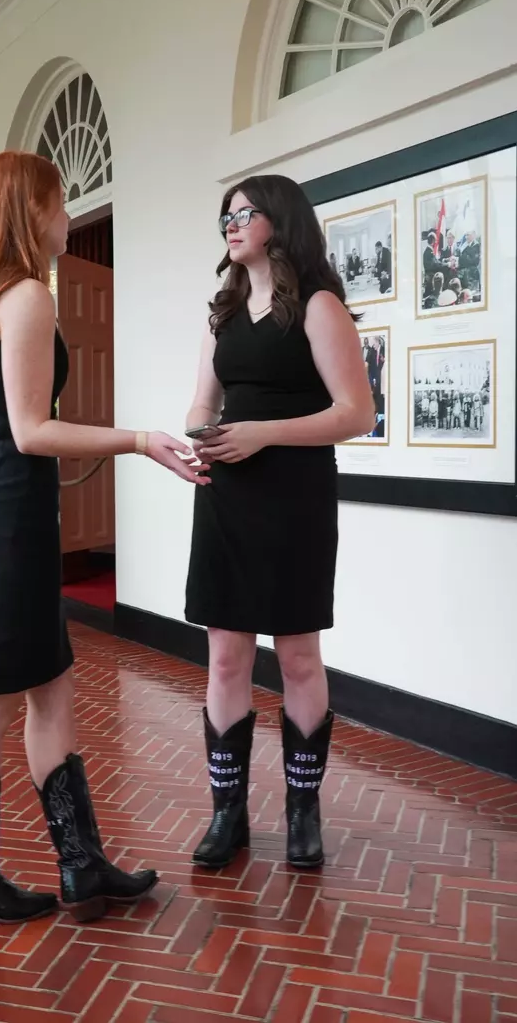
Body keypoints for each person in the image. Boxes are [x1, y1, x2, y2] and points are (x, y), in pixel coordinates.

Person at [0, 150, 210, 928]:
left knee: (49, 686)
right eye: (62, 203)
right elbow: (28, 429)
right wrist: (138, 440)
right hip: (1, 519)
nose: (69, 216)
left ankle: (81, 866)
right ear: (33, 210)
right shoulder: (25, 296)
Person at [184, 175, 374, 872]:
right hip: (227, 492)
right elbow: (200, 405)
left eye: (243, 213)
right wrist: (204, 432)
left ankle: (302, 814)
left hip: (294, 494)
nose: (231, 225)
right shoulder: (221, 315)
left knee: (297, 657)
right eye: (224, 216)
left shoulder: (319, 307)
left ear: (279, 221)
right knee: (227, 656)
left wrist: (262, 432)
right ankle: (226, 816)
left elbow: (356, 414)